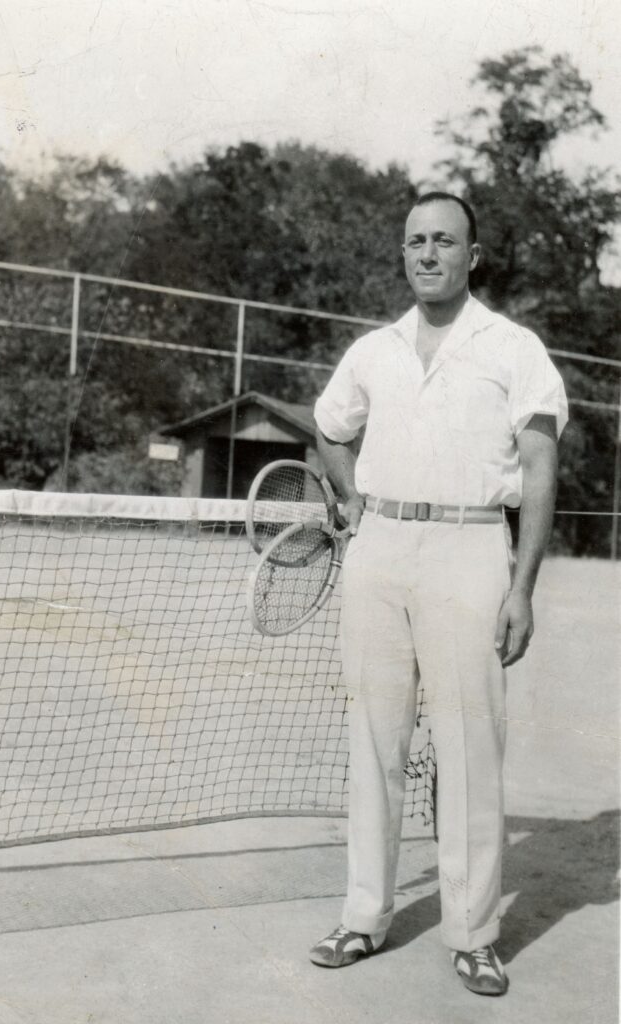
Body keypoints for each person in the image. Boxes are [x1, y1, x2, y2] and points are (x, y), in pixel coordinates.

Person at [309, 192, 568, 996]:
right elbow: (329, 426)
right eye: (416, 241)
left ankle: (473, 933)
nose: (428, 254)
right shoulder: (373, 350)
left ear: (472, 255)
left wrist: (520, 588)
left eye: (444, 241)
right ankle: (363, 916)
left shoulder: (512, 347)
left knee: (466, 748)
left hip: (468, 550)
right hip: (379, 549)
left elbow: (538, 470)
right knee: (374, 742)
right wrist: (353, 502)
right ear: (403, 252)